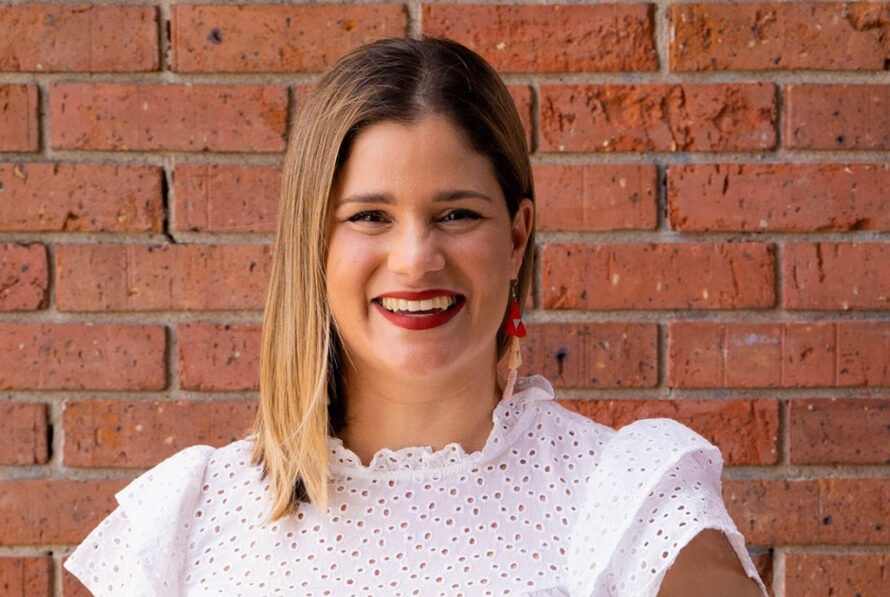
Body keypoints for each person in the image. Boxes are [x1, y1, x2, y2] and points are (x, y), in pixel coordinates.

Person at [64, 36, 768, 596]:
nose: (415, 258)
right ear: (314, 243)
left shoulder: (632, 505)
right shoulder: (185, 520)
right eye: (370, 216)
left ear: (517, 236)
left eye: (456, 213)